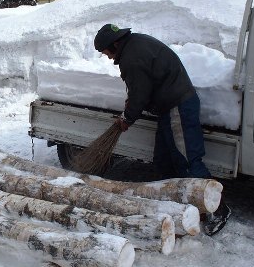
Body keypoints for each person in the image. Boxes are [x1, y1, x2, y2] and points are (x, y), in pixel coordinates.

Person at [94, 23, 231, 236]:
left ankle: (219, 209)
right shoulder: (135, 44)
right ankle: (175, 206)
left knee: (188, 161)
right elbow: (140, 87)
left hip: (178, 107)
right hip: (168, 108)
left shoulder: (132, 57)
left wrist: (127, 119)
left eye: (107, 53)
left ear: (114, 44)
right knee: (163, 160)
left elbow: (140, 94)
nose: (109, 58)